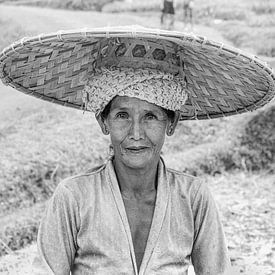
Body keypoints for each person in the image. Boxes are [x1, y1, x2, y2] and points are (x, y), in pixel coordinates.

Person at [0, 26, 274, 275]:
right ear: (103, 121)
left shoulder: (192, 198)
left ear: (172, 122)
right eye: (122, 115)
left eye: (150, 116)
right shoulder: (74, 198)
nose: (135, 134)